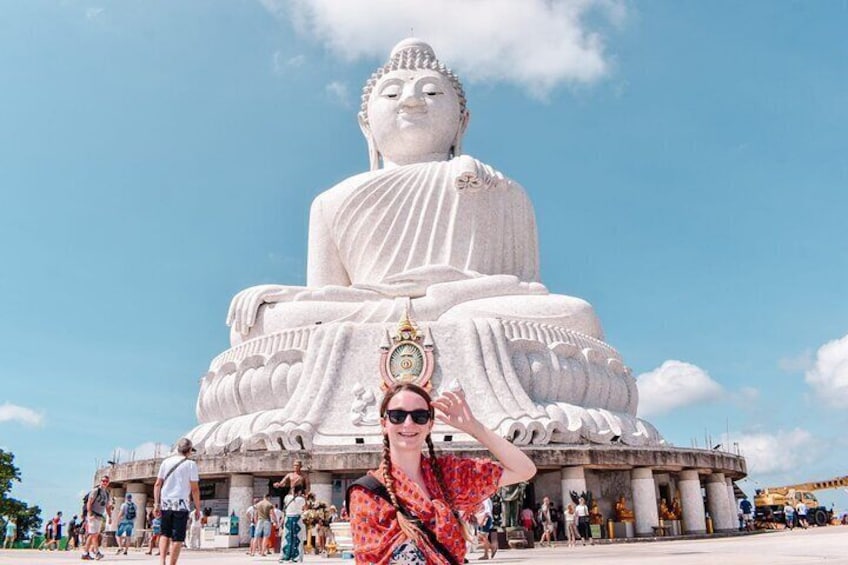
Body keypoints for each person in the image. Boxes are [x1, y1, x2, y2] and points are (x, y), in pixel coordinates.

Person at [348, 384, 536, 564]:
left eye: (419, 416)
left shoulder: (448, 475)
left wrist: (474, 427)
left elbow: (524, 469)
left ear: (430, 424)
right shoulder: (367, 495)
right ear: (384, 424)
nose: (408, 423)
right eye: (397, 416)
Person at [153, 437, 201, 565]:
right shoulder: (191, 464)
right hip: (181, 504)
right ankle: (172, 563)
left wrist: (156, 504)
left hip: (166, 503)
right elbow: (194, 489)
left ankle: (162, 561)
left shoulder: (166, 462)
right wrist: (197, 508)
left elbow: (158, 484)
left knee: (164, 533)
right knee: (178, 537)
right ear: (189, 450)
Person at [83, 475, 113, 560]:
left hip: (100, 516)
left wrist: (110, 517)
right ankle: (97, 552)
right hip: (93, 515)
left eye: (106, 481)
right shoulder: (96, 491)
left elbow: (107, 507)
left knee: (92, 535)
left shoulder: (107, 493)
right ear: (100, 481)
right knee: (94, 535)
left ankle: (85, 553)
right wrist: (90, 514)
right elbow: (89, 502)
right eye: (103, 481)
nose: (104, 483)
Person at [280, 484, 307, 562]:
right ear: (299, 491)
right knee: (297, 538)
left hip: (288, 519)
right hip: (297, 519)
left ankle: (285, 555)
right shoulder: (301, 499)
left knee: (287, 538)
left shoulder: (287, 497)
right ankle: (296, 557)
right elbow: (305, 508)